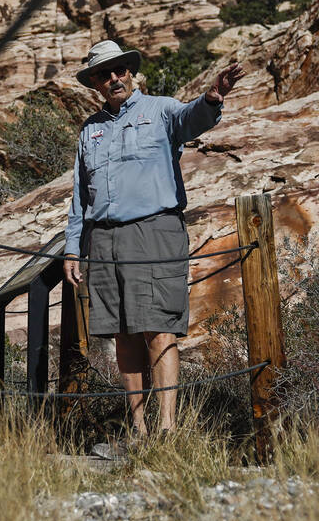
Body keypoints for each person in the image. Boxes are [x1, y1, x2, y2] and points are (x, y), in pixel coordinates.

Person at [64, 40, 245, 437]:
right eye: (103, 73)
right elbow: (80, 194)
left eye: (120, 70)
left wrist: (212, 98)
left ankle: (167, 426)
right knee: (124, 331)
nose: (114, 78)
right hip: (105, 239)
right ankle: (139, 428)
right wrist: (72, 247)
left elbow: (191, 118)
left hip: (155, 231)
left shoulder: (160, 109)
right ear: (94, 82)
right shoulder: (90, 129)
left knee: (159, 326)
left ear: (130, 73)